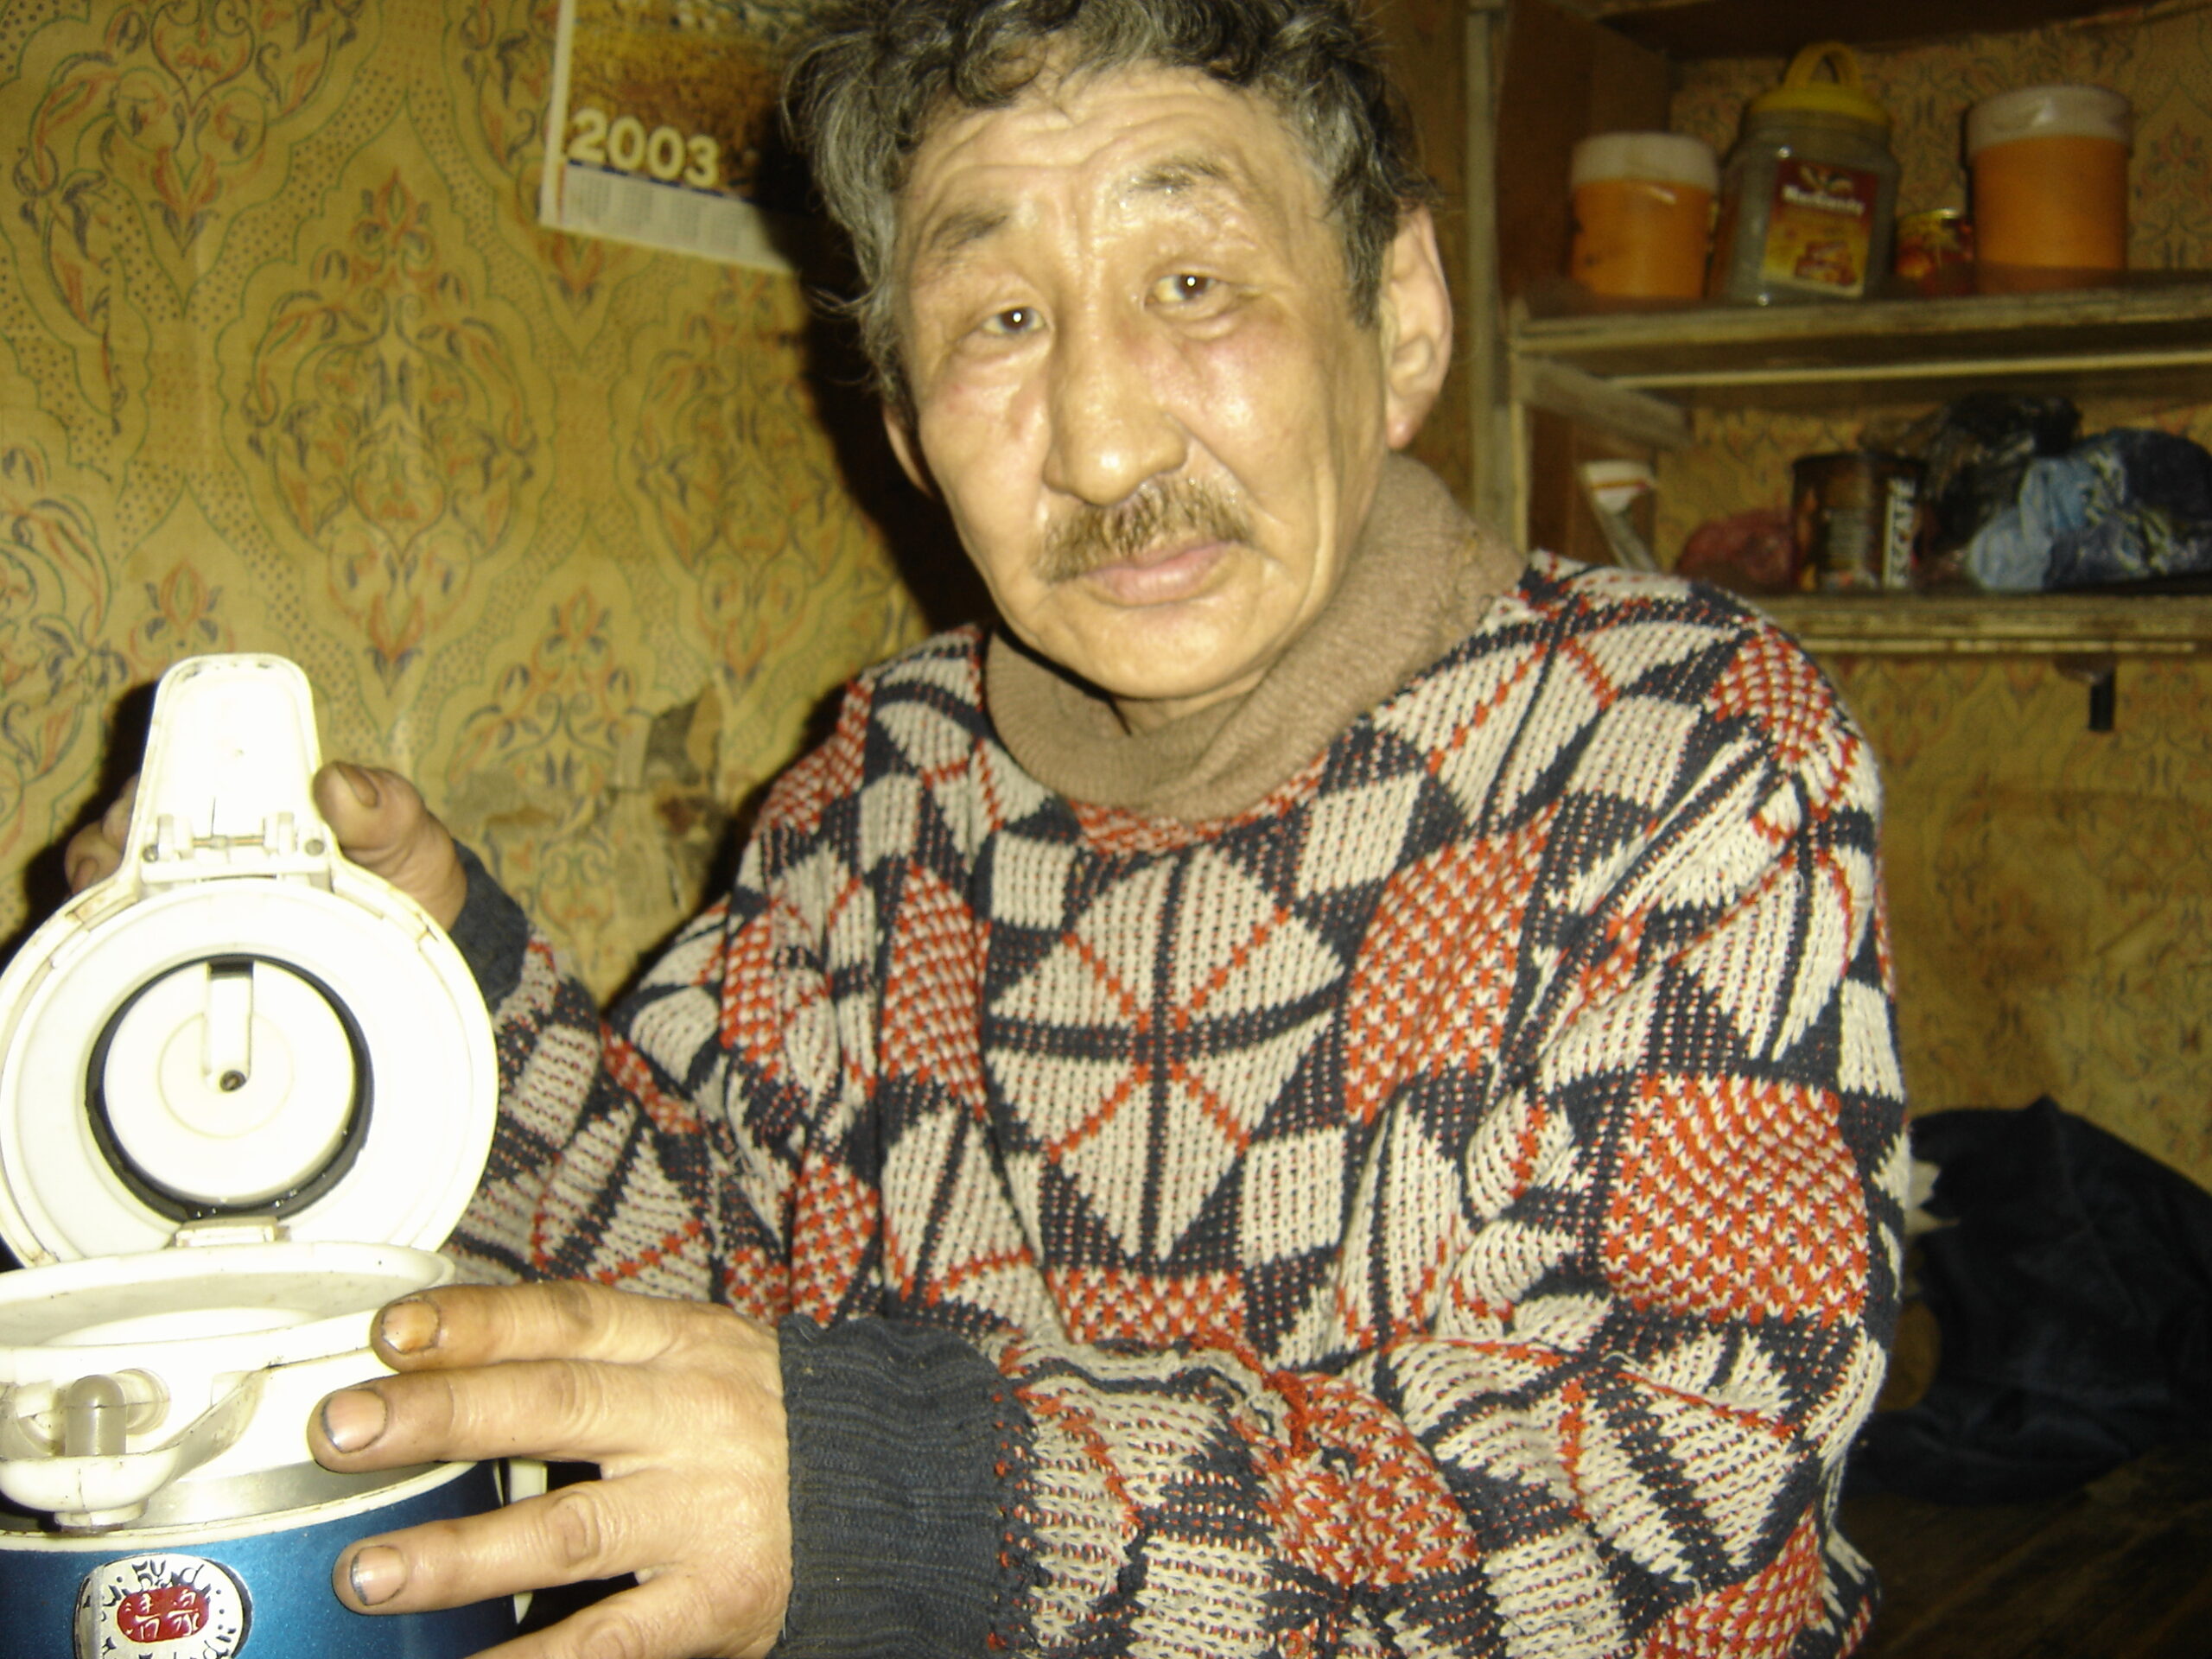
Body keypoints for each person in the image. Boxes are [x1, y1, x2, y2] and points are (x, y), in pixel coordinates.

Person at [67, 0, 1908, 1653]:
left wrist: (923, 1500)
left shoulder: (1682, 744)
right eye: (1002, 321)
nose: (1102, 444)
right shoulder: (882, 782)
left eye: (1194, 282)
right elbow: (692, 1268)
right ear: (902, 425)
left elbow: (1684, 1504)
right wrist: (410, 973)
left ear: (1399, 311)